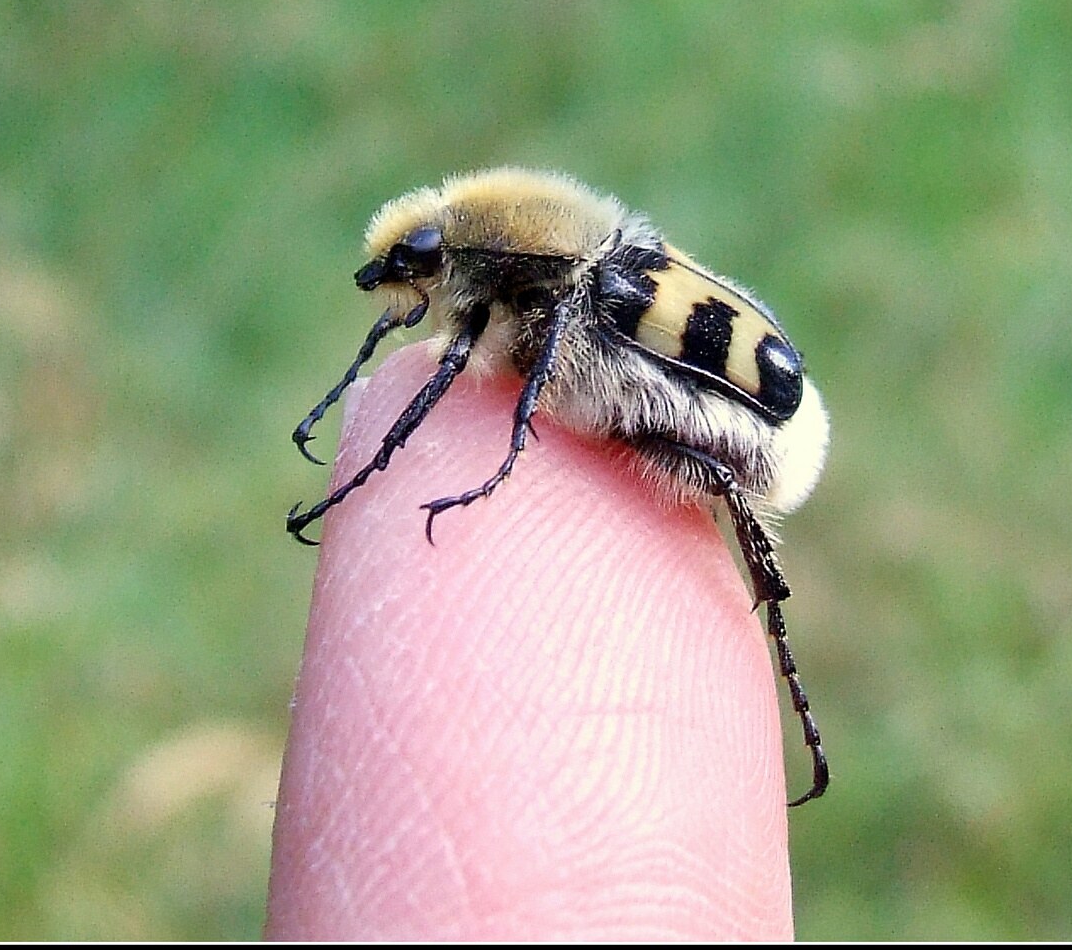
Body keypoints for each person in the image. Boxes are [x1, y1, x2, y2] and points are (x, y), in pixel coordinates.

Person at [265, 344, 795, 940]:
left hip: (723, 405)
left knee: (715, 475)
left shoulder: (553, 302)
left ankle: (778, 630)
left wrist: (505, 449)